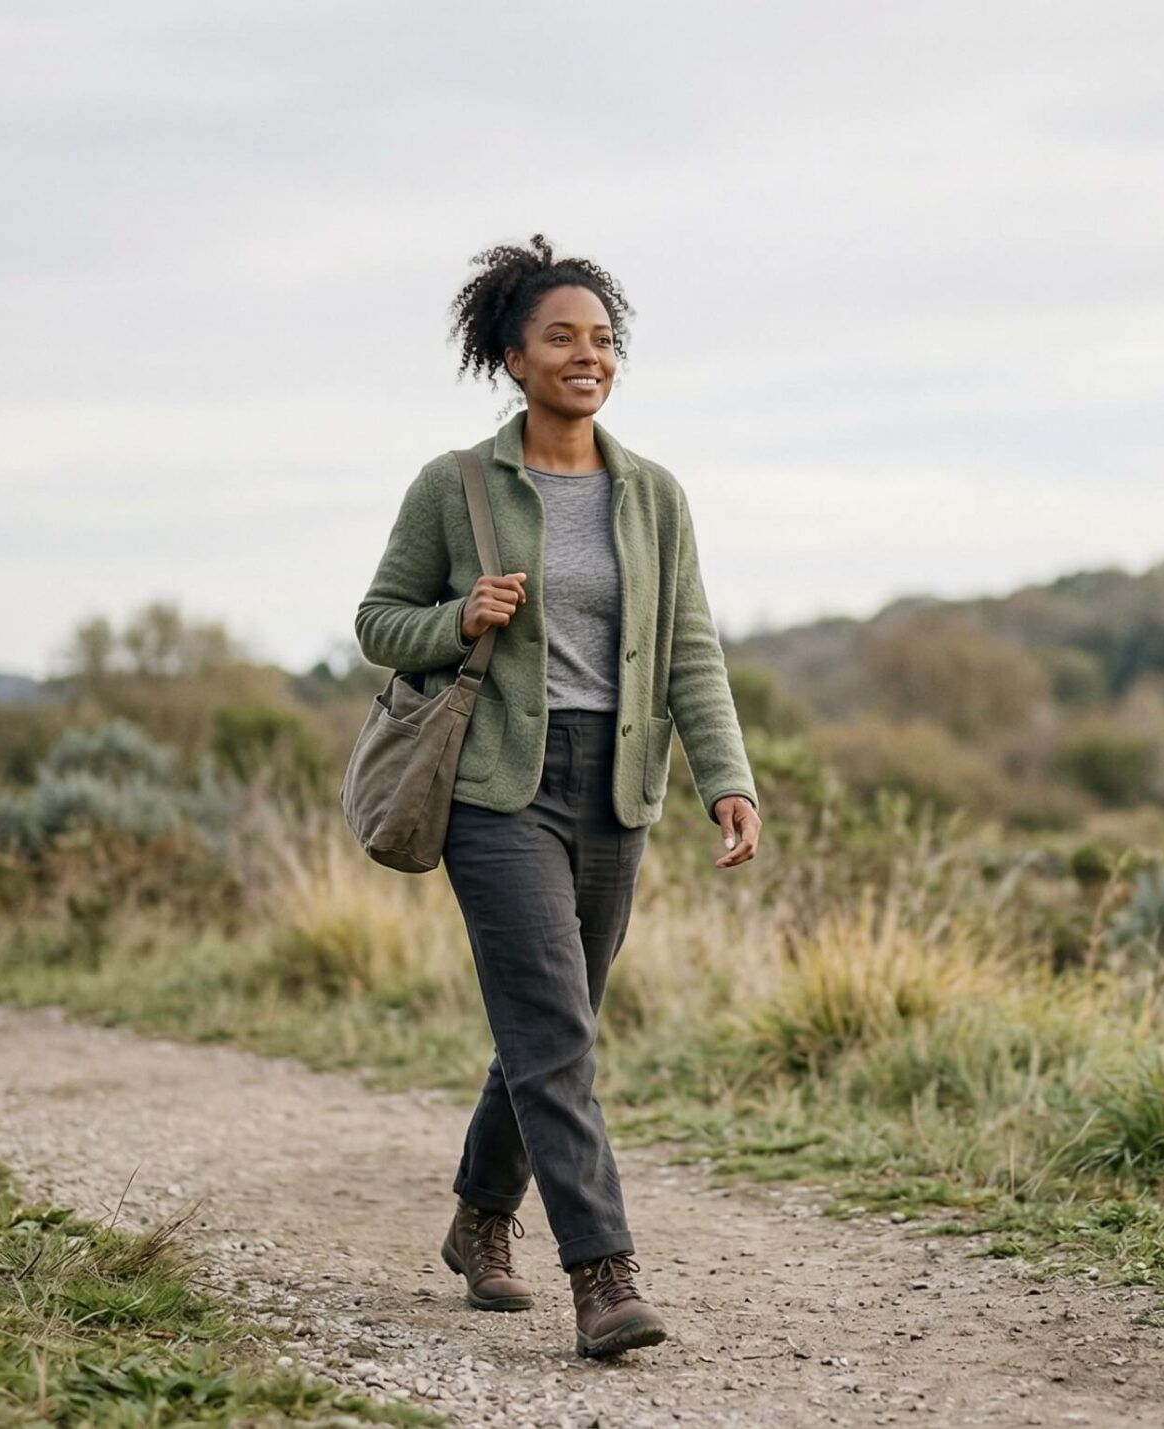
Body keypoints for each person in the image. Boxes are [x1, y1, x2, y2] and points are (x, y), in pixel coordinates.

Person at [352, 235, 764, 1359]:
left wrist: (724, 777)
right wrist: (459, 618)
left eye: (603, 340)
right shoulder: (456, 486)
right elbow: (378, 620)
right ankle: (603, 1274)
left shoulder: (653, 495)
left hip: (616, 789)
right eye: (561, 338)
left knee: (554, 1026)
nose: (588, 356)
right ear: (510, 357)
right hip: (497, 790)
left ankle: (480, 1216)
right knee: (551, 1035)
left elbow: (689, 647)